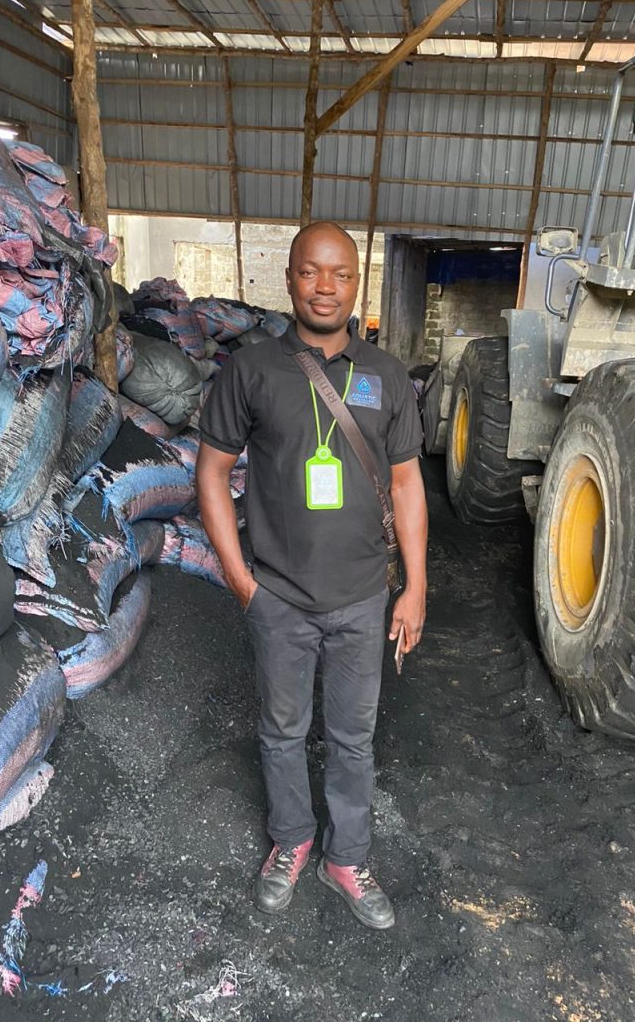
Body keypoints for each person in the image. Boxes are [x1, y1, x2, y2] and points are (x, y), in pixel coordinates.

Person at [196, 221, 427, 930]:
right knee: (282, 730)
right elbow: (211, 472)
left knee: (355, 738)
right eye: (310, 272)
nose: (325, 287)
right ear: (289, 277)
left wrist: (415, 586)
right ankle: (292, 842)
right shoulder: (253, 370)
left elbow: (409, 484)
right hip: (281, 597)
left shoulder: (385, 375)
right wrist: (241, 580)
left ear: (357, 283)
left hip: (362, 595)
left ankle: (345, 856)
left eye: (340, 274)